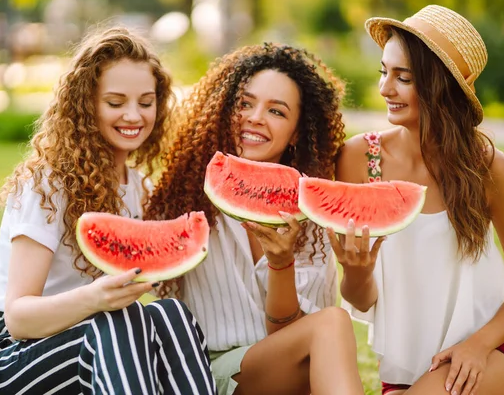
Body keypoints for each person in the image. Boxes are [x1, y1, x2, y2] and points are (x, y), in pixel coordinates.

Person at [0, 26, 216, 395]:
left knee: (169, 313)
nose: (134, 115)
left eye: (146, 102)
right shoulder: (47, 184)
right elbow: (18, 318)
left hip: (93, 342)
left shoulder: (140, 188)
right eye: (115, 102)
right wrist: (95, 298)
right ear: (86, 104)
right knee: (113, 321)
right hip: (5, 357)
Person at [145, 43, 365, 395]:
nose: (255, 117)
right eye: (245, 103)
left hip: (286, 367)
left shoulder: (309, 214)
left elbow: (287, 337)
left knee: (329, 325)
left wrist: (281, 264)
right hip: (207, 372)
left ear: (296, 132)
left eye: (276, 111)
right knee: (332, 324)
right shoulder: (183, 196)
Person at [334, 4, 504, 395]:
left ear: (440, 85)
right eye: (383, 72)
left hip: (486, 357)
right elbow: (361, 297)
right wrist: (355, 271)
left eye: (403, 77)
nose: (385, 89)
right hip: (402, 377)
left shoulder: (489, 168)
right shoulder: (359, 160)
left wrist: (477, 345)